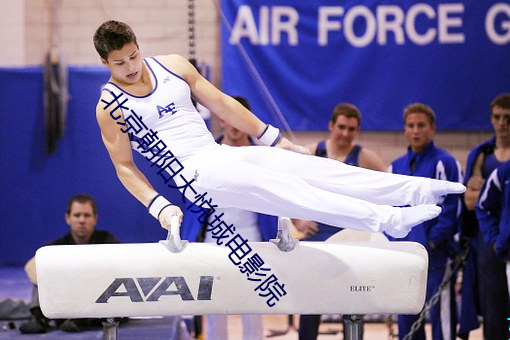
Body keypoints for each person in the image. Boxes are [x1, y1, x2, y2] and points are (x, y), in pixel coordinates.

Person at [93, 20, 464, 251]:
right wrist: (159, 206)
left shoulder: (172, 65)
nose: (130, 68)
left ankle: (412, 190)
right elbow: (124, 166)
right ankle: (387, 220)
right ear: (105, 63)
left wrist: (273, 138)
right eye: (119, 63)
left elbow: (222, 103)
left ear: (139, 46)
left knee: (315, 169)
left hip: (219, 155)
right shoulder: (110, 106)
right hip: (196, 176)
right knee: (293, 194)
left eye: (133, 57)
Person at [182, 95, 277, 340]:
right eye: (228, 119)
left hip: (254, 238)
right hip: (214, 238)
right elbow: (191, 199)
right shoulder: (205, 155)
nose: (234, 126)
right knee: (215, 306)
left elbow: (275, 200)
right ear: (221, 121)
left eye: (239, 121)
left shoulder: (262, 159)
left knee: (254, 305)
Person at [295, 102, 386, 340]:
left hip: (351, 240)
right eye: (341, 127)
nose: (345, 134)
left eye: (351, 129)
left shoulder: (365, 158)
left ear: (357, 131)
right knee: (310, 302)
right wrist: (297, 219)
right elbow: (285, 189)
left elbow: (389, 192)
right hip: (318, 236)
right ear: (331, 126)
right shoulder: (311, 152)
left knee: (353, 300)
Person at [387, 103, 462, 340]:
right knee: (407, 321)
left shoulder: (445, 163)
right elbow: (388, 209)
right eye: (411, 126)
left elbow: (452, 209)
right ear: (405, 130)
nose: (416, 131)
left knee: (442, 320)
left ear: (432, 129)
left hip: (436, 257)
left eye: (421, 125)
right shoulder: (395, 167)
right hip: (405, 259)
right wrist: (395, 243)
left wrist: (432, 242)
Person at [19, 194, 120, 334]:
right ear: (68, 218)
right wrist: (60, 283)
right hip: (65, 298)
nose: (82, 220)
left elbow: (118, 270)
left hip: (96, 301)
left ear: (95, 218)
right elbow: (30, 266)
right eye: (77, 215)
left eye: (87, 215)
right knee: (42, 270)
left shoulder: (108, 242)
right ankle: (38, 318)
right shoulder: (57, 246)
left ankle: (80, 319)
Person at [460, 93, 510, 340]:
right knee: (493, 304)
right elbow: (469, 202)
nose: (502, 123)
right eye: (497, 117)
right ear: (491, 119)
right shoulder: (482, 154)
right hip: (489, 238)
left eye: (507, 118)